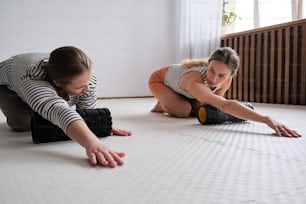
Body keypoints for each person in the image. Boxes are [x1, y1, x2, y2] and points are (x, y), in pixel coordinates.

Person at [0, 46, 132, 168]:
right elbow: (59, 111)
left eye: (88, 81)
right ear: (57, 83)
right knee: (23, 124)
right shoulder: (32, 81)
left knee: (72, 99)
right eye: (80, 86)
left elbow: (86, 112)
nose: (88, 88)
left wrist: (96, 126)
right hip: (7, 84)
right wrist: (92, 142)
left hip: (49, 74)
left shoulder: (84, 76)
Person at [148, 47, 301, 138]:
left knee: (202, 106)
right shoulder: (195, 80)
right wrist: (266, 119)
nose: (214, 79)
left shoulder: (226, 81)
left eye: (222, 75)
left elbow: (218, 105)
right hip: (160, 81)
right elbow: (226, 106)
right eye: (211, 71)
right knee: (184, 110)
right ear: (208, 64)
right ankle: (163, 103)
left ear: (231, 75)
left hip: (190, 91)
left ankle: (177, 99)